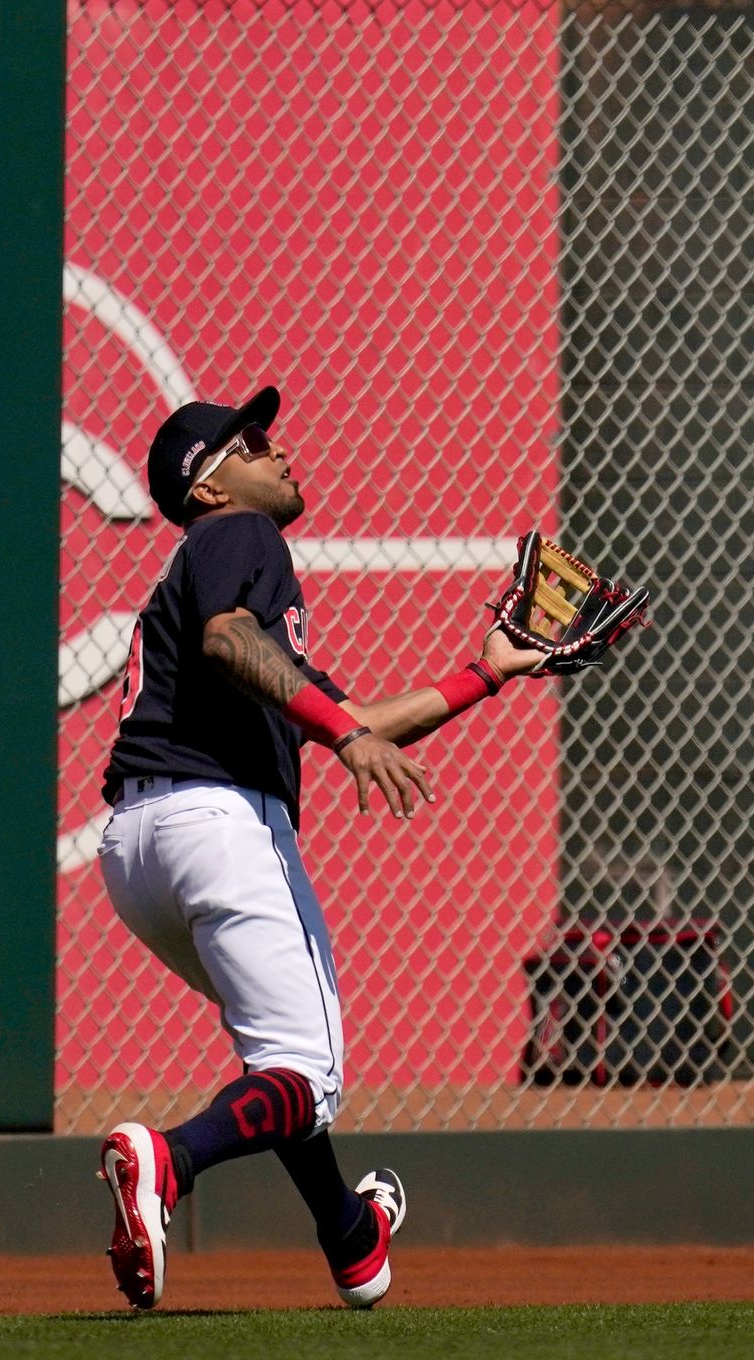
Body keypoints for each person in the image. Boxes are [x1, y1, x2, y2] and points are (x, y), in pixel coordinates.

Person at [95, 385, 541, 1310]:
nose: (277, 448)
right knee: (309, 1070)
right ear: (211, 486)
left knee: (279, 1059)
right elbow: (230, 644)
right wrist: (345, 741)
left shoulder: (218, 562)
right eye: (250, 441)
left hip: (137, 847)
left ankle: (351, 1240)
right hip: (218, 821)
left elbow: (352, 713)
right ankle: (168, 1162)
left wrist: (483, 676)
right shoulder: (242, 537)